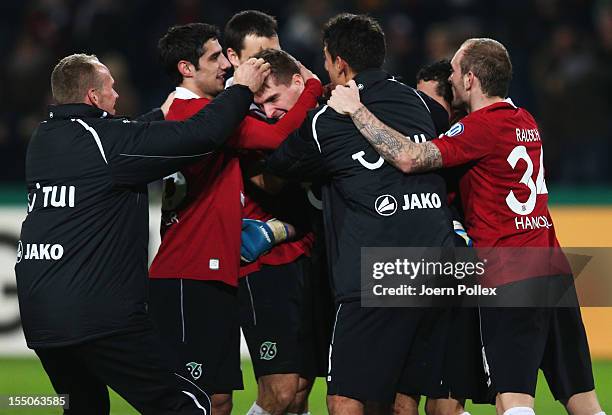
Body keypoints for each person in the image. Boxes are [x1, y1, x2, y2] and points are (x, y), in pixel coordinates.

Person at [327, 38, 606, 415]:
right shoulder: (524, 121)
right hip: (554, 270)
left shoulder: (478, 128)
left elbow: (410, 158)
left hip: (511, 275)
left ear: (471, 79)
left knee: (514, 399)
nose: (451, 80)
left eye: (456, 73)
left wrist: (357, 111)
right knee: (583, 400)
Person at [15, 52, 269, 414]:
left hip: (42, 319)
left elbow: (120, 146)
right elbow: (201, 135)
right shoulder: (107, 142)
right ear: (93, 97)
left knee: (84, 407)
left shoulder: (44, 138)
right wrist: (241, 88)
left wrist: (157, 118)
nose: (117, 95)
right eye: (110, 87)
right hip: (98, 316)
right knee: (188, 405)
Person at [266, 13, 459, 415]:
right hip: (437, 263)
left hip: (377, 269)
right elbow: (446, 128)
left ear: (339, 63)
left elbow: (281, 163)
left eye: (325, 60)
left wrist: (310, 96)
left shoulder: (328, 121)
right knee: (403, 398)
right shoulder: (422, 104)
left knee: (345, 399)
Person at [148, 22, 322, 415]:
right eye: (217, 58)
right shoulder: (197, 112)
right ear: (186, 68)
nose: (228, 66)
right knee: (194, 401)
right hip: (187, 271)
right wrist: (311, 87)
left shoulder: (199, 111)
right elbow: (276, 142)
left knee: (219, 400)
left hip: (215, 270)